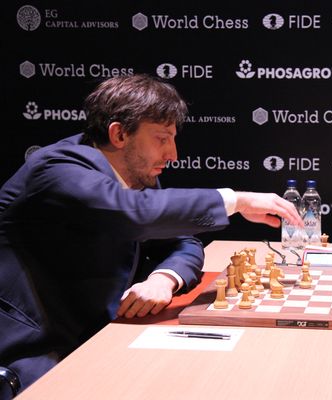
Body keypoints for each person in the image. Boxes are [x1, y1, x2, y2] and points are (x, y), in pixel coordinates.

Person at [0, 74, 303, 396]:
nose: (173, 154)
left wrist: (164, 278)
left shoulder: (134, 175)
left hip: (103, 335)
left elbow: (184, 240)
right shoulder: (58, 168)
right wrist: (236, 201)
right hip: (36, 350)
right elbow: (134, 214)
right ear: (119, 134)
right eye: (162, 138)